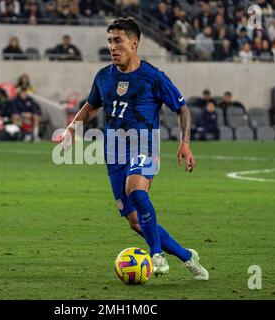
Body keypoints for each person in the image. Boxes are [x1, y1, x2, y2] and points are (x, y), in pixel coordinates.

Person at [59, 17, 209, 280]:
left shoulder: (153, 76)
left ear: (134, 42)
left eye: (118, 41)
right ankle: (186, 256)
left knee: (135, 189)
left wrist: (185, 143)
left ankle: (156, 255)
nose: (112, 47)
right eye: (109, 41)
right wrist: (72, 128)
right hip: (114, 150)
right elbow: (91, 105)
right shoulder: (104, 77)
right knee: (135, 221)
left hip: (145, 144)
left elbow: (181, 109)